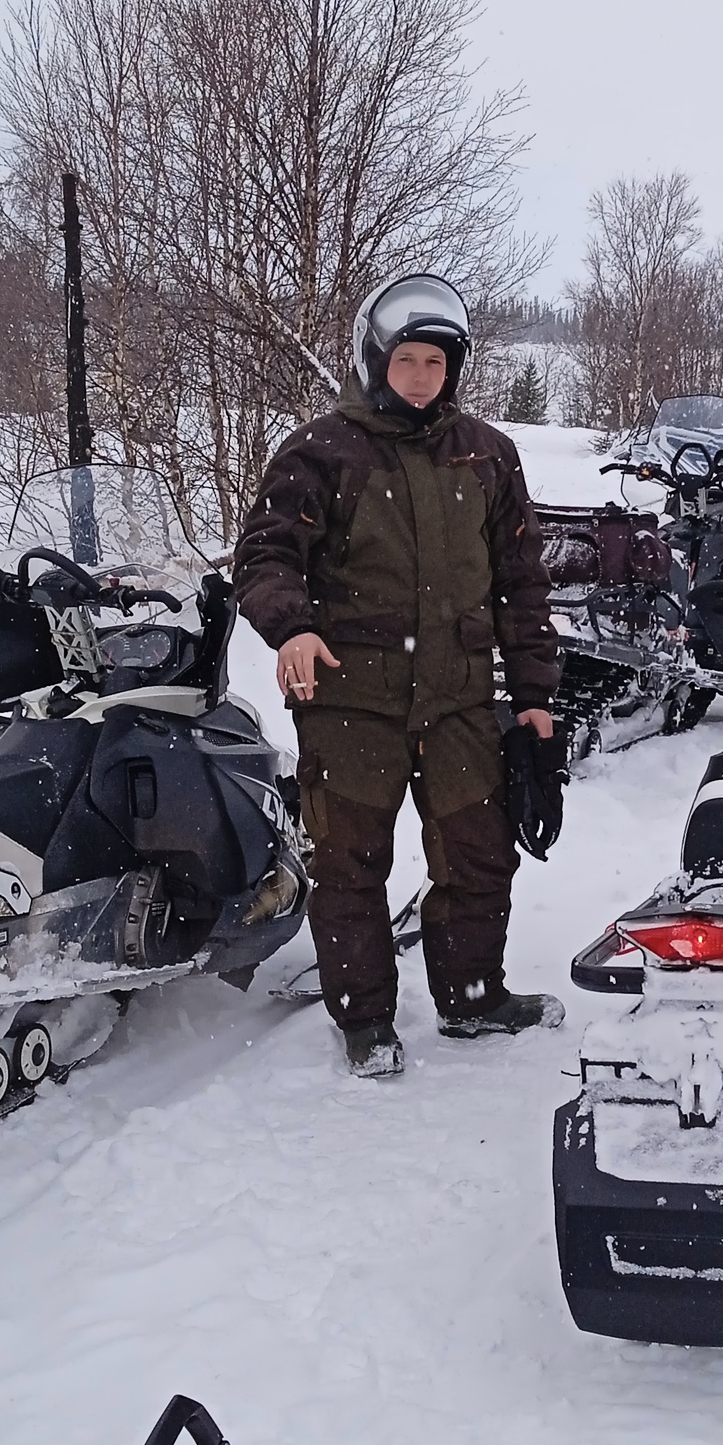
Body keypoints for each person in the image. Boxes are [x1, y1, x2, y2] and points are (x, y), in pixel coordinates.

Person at [233, 272, 563, 1079]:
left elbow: (522, 583)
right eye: (406, 359)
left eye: (435, 362)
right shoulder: (322, 450)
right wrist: (294, 626)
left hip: (457, 697)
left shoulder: (489, 454)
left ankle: (474, 995)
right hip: (352, 698)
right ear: (375, 358)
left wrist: (535, 698)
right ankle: (365, 1020)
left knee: (479, 853)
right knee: (351, 863)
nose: (420, 377)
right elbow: (266, 554)